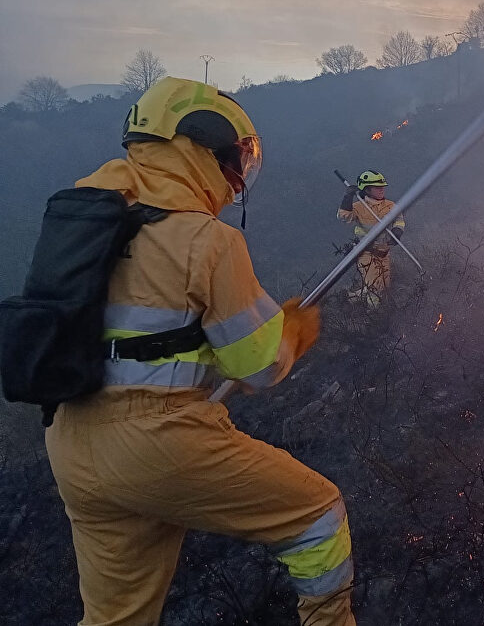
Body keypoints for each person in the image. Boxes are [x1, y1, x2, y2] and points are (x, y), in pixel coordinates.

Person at [44, 77, 355, 625]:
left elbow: (145, 339)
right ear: (200, 144)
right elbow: (258, 366)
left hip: (72, 442)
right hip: (157, 442)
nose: (237, 176)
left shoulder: (92, 218)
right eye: (236, 157)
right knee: (317, 516)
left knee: (115, 619)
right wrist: (293, 329)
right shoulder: (205, 239)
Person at [337, 169, 406, 308]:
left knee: (384, 286)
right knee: (376, 290)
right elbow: (344, 217)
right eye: (377, 187)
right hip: (366, 253)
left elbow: (399, 219)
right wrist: (347, 197)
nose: (382, 189)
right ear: (366, 189)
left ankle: (350, 298)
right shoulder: (358, 207)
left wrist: (397, 231)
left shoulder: (390, 205)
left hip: (384, 253)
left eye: (382, 186)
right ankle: (374, 319)